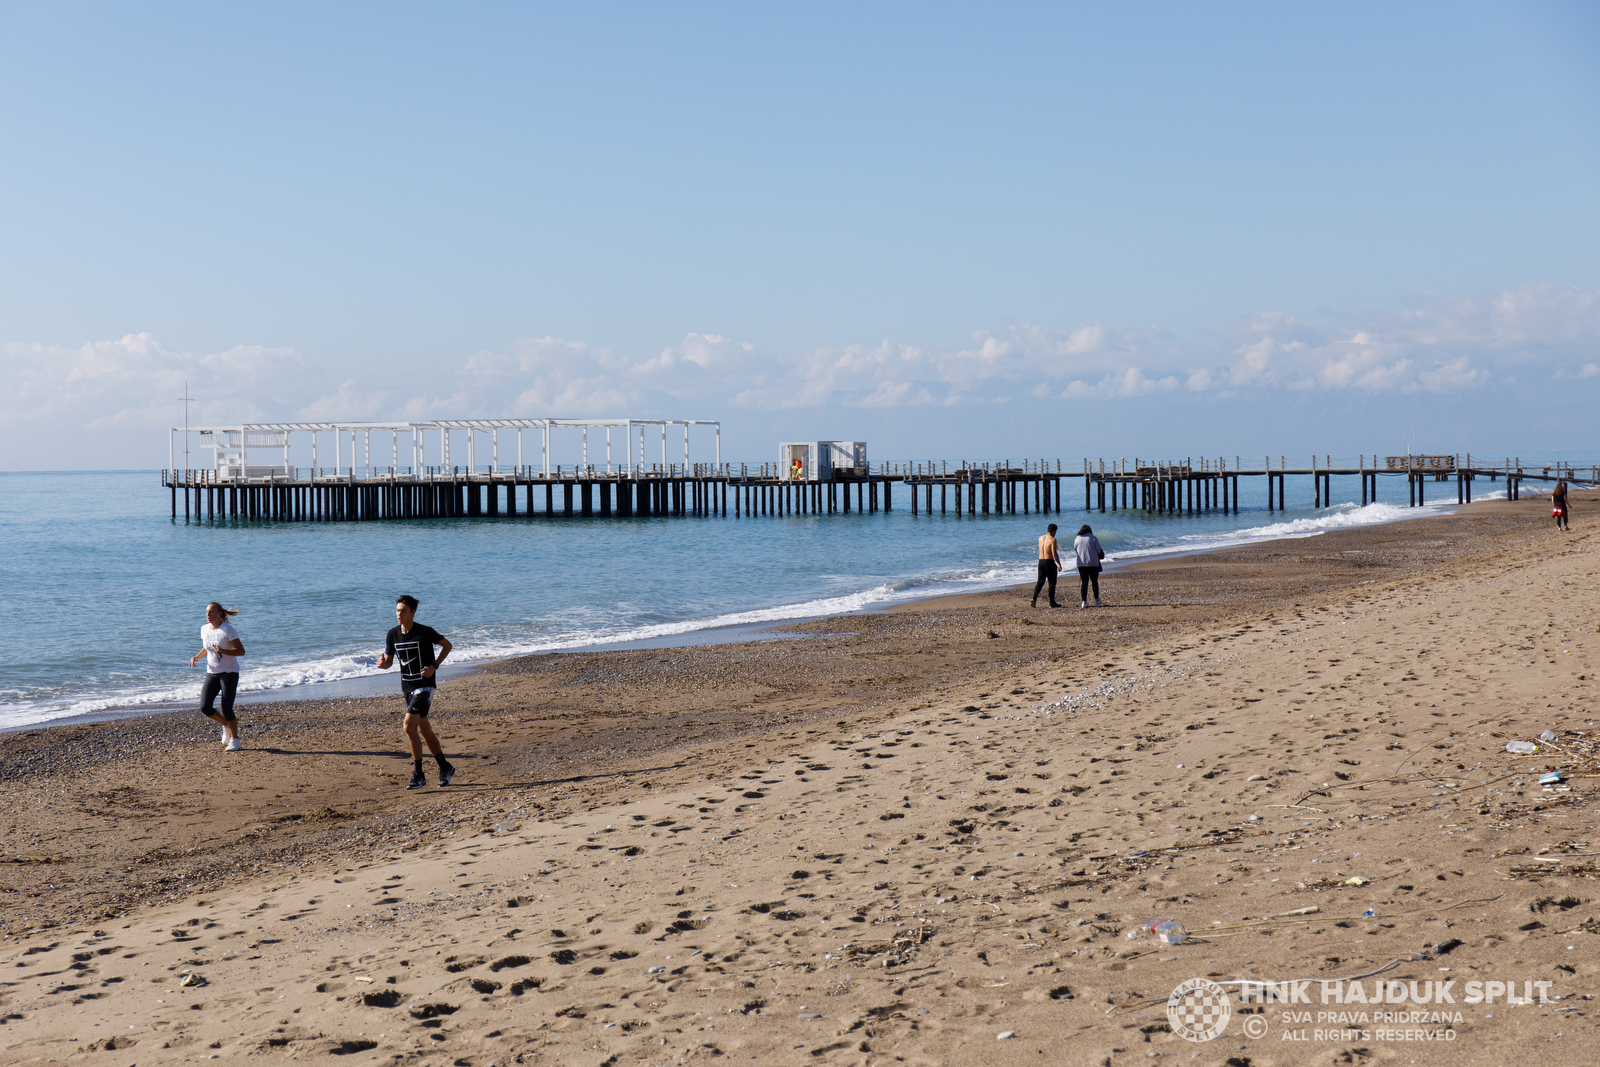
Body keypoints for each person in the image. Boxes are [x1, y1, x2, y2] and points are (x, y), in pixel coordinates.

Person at [377, 594, 456, 790]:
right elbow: (388, 661)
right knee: (423, 729)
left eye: (403, 611)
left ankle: (418, 774)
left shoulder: (424, 632)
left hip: (425, 687)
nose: (399, 614)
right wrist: (382, 664)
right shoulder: (392, 634)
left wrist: (434, 666)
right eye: (397, 611)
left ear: (413, 612)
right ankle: (445, 767)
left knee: (408, 727)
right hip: (408, 689)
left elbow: (447, 645)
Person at [190, 602, 245, 751]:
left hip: (229, 673)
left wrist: (223, 651)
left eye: (212, 612)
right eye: (207, 612)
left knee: (227, 708)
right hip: (212, 673)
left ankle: (235, 740)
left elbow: (241, 651)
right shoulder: (204, 629)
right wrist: (196, 657)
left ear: (220, 614)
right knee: (205, 707)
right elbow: (207, 648)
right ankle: (225, 725)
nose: (208, 615)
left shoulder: (227, 630)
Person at [1073, 524, 1106, 608]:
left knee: (1084, 582)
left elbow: (1076, 550)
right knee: (1094, 581)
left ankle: (1084, 601)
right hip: (1093, 563)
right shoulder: (1093, 538)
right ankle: (1096, 599)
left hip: (1081, 564)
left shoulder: (1077, 539)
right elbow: (1099, 551)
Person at [1032, 523, 1063, 608]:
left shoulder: (1040, 538)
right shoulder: (1053, 540)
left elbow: (1045, 548)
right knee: (1052, 583)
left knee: (1040, 581)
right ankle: (1052, 603)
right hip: (1049, 562)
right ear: (1054, 531)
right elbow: (1054, 554)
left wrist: (1054, 547)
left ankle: (1034, 598)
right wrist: (1059, 564)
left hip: (1041, 561)